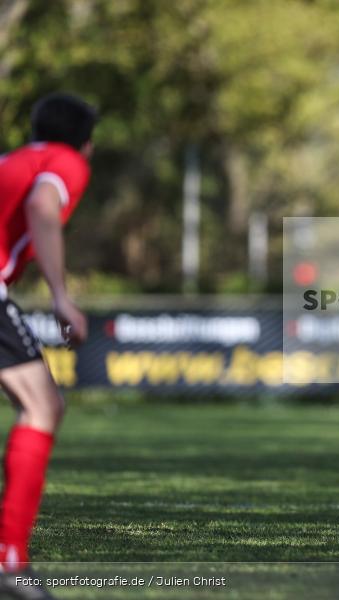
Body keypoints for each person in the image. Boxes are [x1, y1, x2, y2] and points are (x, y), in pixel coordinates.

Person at [0, 93, 96, 598]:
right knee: (42, 406)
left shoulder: (10, 161)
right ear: (87, 141)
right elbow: (43, 206)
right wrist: (61, 297)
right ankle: (10, 561)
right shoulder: (65, 162)